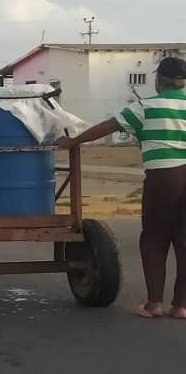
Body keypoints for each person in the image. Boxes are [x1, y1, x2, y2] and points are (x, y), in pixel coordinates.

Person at [58, 56, 186, 319]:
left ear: (159, 79)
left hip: (164, 176)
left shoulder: (146, 107)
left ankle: (154, 304)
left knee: (154, 238)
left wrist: (73, 141)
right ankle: (181, 305)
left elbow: (108, 126)